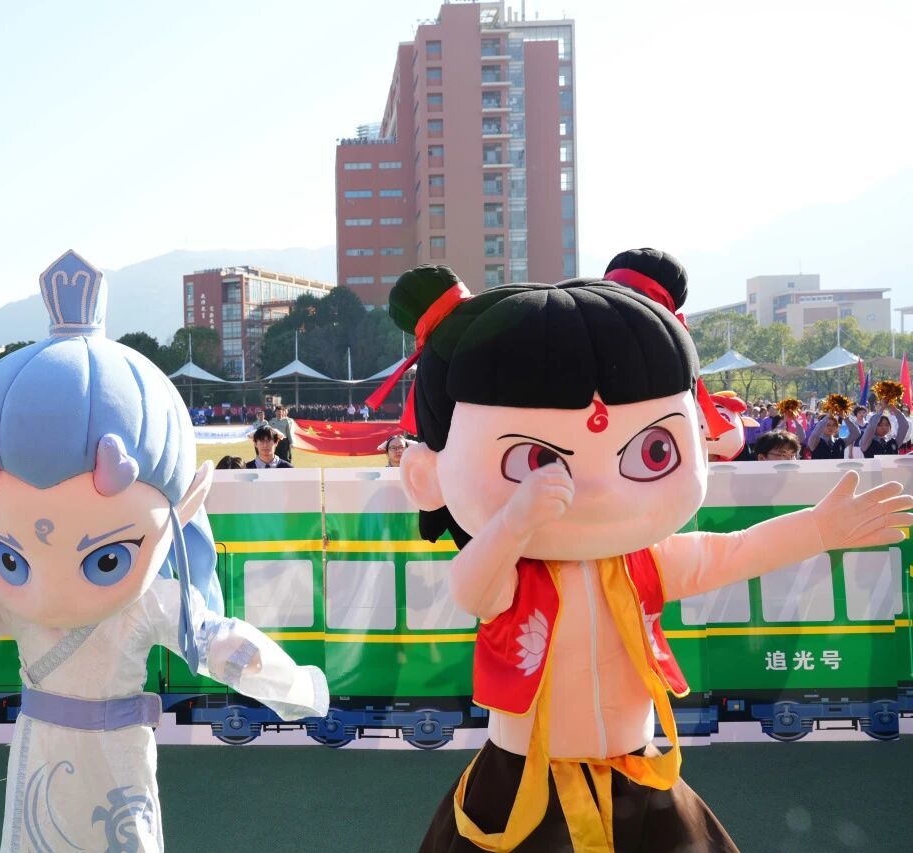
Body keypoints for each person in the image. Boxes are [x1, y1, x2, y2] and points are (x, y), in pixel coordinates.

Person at [377, 254, 911, 852]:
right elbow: (472, 590)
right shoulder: (512, 569)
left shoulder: (645, 564)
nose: (600, 491)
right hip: (524, 785)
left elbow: (733, 552)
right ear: (427, 475)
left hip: (637, 775)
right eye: (535, 458)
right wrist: (514, 521)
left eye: (653, 451)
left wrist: (818, 529)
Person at [0, 250, 326, 852]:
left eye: (108, 557)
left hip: (119, 755)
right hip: (42, 750)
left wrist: (295, 684)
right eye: (9, 558)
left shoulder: (146, 602)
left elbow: (217, 640)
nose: (49, 587)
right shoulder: (20, 604)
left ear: (181, 509)